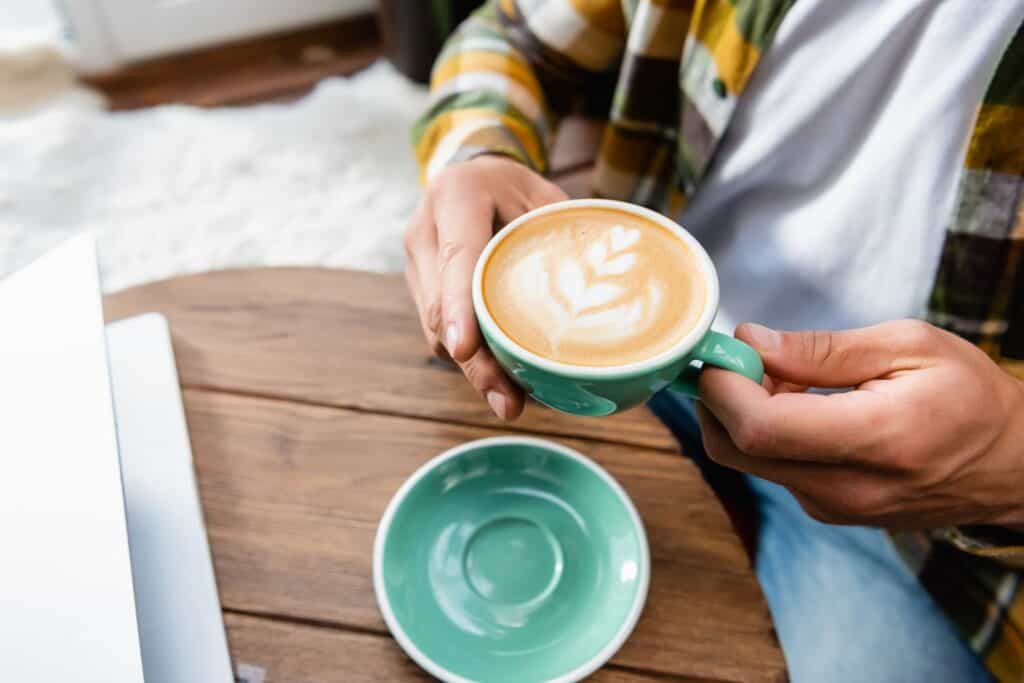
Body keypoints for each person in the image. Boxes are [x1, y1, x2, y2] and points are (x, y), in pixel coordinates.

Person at [403, 2, 1024, 680]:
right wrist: (477, 154)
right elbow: (512, 35)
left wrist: (1011, 464)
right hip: (621, 361)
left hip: (935, 514)